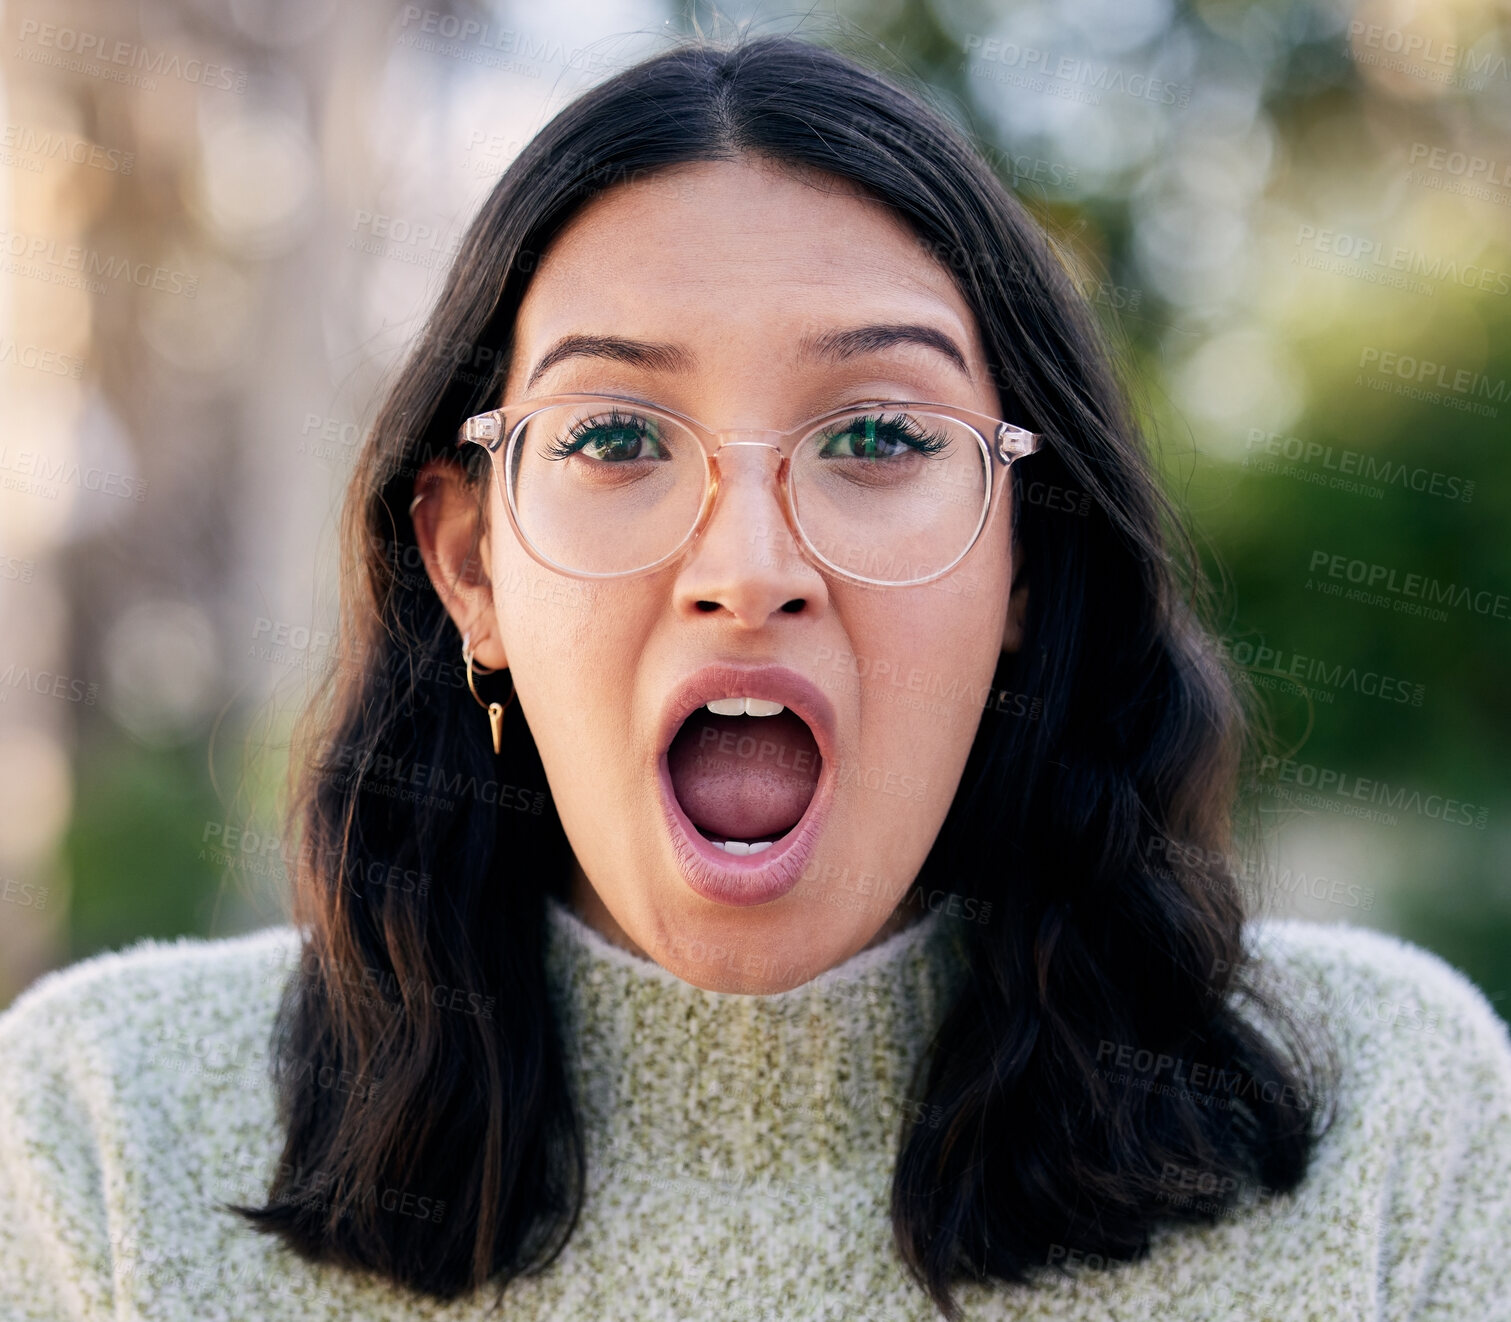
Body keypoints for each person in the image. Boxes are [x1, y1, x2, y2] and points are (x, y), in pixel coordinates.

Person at [2, 34, 1508, 1322]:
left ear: (1025, 564)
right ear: (472, 568)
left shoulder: (1388, 1133)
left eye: (875, 437)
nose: (748, 561)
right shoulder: (104, 1142)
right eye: (612, 437)